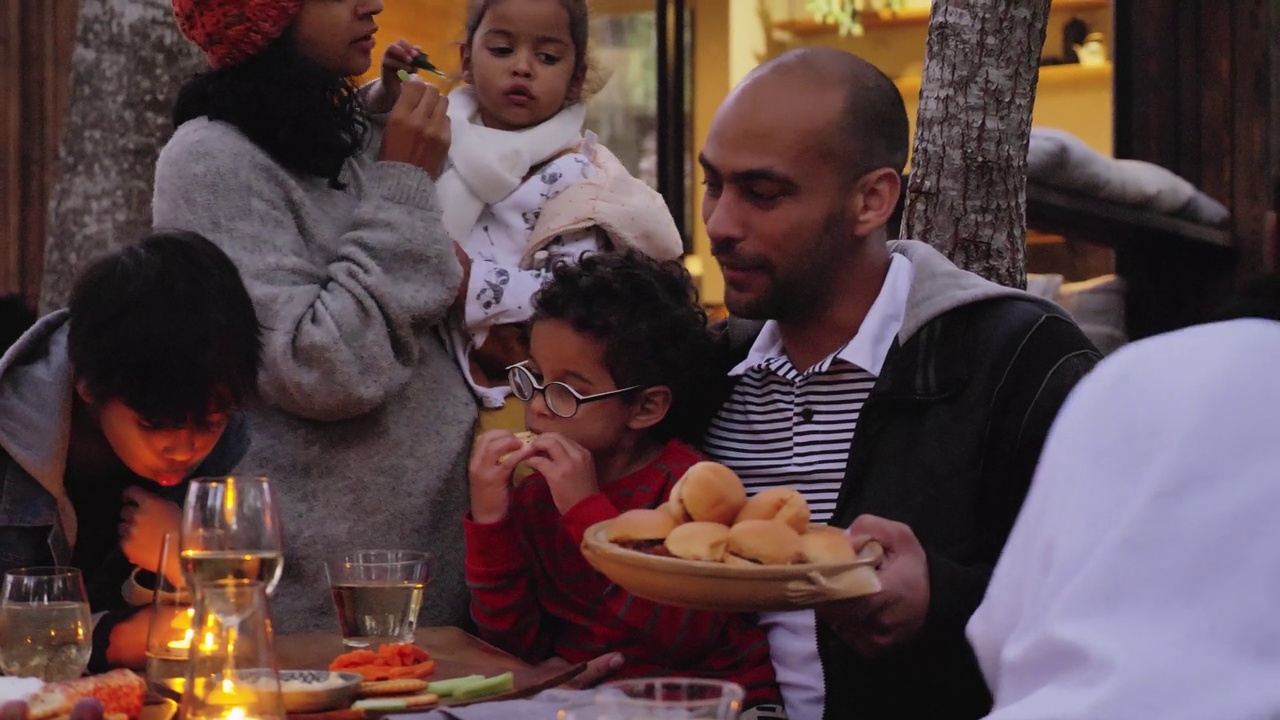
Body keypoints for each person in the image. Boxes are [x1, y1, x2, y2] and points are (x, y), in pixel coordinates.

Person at [697, 47, 1100, 719]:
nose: (719, 225)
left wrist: (942, 600)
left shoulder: (1021, 361)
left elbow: (1116, 608)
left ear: (872, 200)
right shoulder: (706, 373)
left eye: (762, 195)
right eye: (714, 184)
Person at [156, 0, 479, 630]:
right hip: (322, 614)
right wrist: (406, 185)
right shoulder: (210, 161)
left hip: (435, 589)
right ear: (267, 19)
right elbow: (319, 365)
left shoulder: (334, 135)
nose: (372, 4)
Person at [465, 251, 780, 708]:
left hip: (718, 702)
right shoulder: (536, 496)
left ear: (645, 407)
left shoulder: (688, 491)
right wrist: (491, 519)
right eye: (534, 378)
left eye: (568, 390)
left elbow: (684, 637)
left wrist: (588, 516)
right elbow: (516, 642)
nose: (535, 407)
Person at [0, 230, 260, 671]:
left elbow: (248, 630)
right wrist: (113, 640)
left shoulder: (223, 446)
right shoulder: (11, 443)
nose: (185, 448)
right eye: (155, 423)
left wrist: (186, 557)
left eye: (210, 423)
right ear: (87, 383)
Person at [430, 0, 683, 431]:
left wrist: (471, 281)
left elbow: (576, 297)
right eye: (502, 49)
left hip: (533, 403)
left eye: (547, 57)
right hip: (437, 387)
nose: (523, 68)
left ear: (575, 78)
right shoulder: (439, 145)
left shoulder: (578, 178)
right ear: (466, 59)